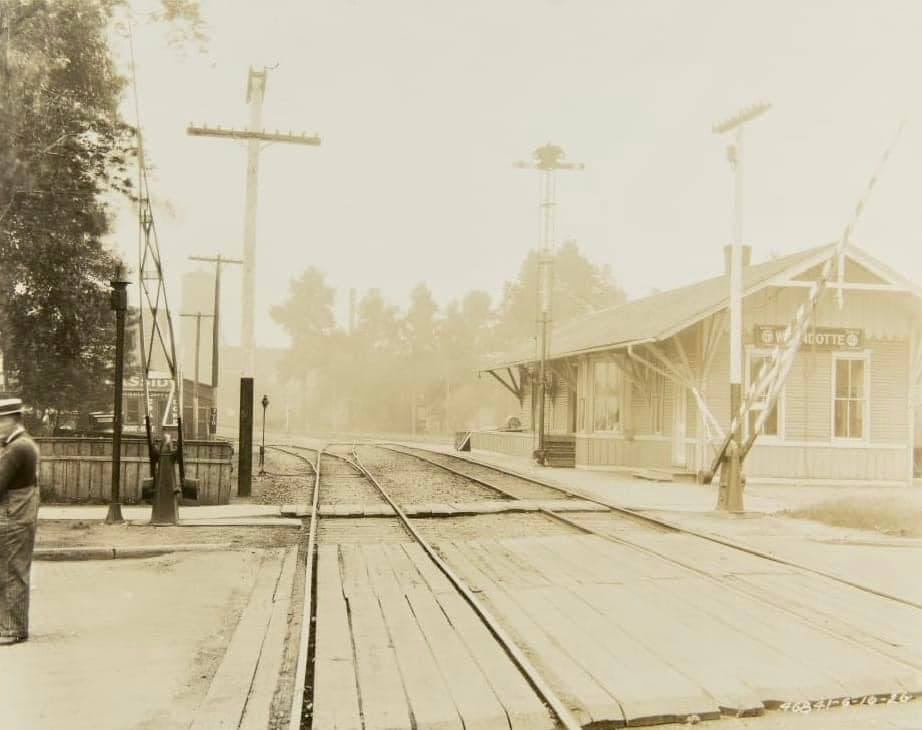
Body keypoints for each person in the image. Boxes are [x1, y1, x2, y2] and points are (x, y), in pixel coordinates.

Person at [0, 398, 40, 645]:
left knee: (12, 572)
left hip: (13, 517)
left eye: (0, 421)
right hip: (19, 515)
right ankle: (8, 624)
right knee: (10, 570)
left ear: (14, 420)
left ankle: (13, 628)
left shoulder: (17, 448)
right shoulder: (21, 444)